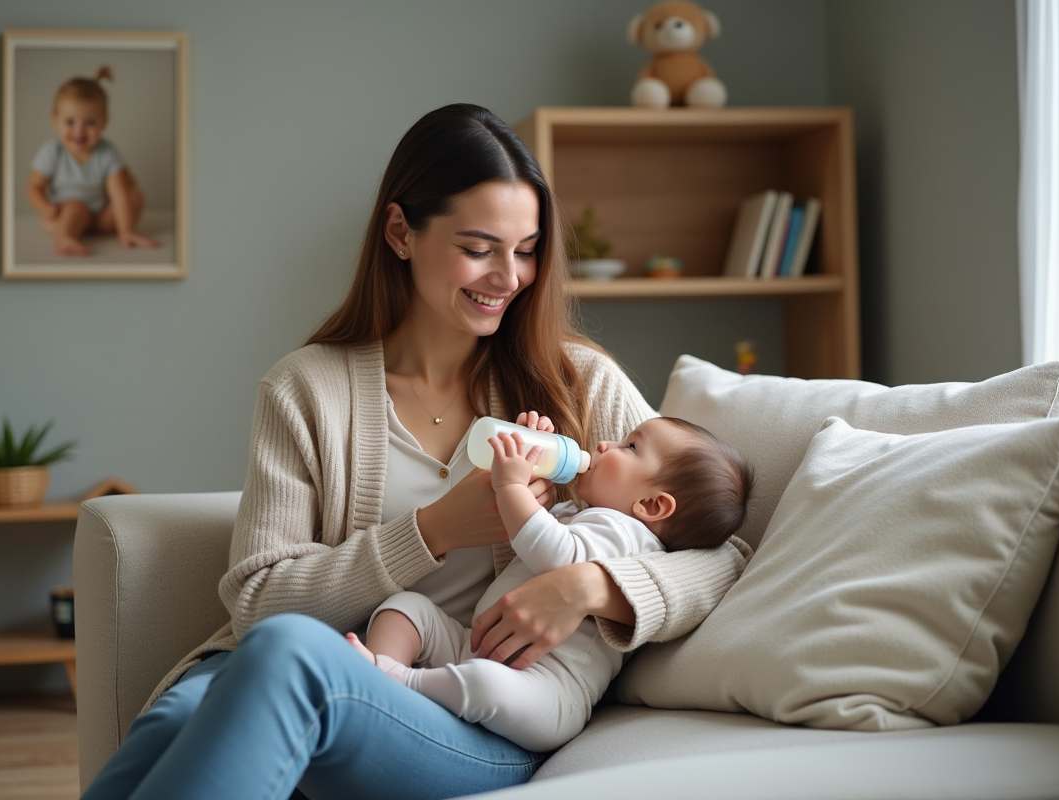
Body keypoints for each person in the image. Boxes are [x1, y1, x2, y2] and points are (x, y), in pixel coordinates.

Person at [79, 102, 752, 800]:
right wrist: (432, 532)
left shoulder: (575, 383)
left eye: (526, 250)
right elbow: (257, 604)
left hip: (469, 707)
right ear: (401, 231)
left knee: (286, 658)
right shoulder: (305, 388)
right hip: (315, 660)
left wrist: (588, 587)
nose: (510, 277)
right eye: (478, 247)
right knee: (176, 718)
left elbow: (723, 548)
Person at [348, 415, 754, 752]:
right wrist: (533, 470)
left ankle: (396, 681)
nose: (603, 444)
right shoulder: (583, 513)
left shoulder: (627, 533)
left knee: (487, 686)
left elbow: (558, 555)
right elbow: (544, 531)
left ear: (650, 505)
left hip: (546, 692)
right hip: (477, 643)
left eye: (629, 447)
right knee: (407, 608)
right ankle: (385, 679)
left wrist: (510, 489)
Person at [26, 67, 158, 256]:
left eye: (90, 123)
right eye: (70, 122)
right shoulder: (52, 151)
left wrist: (126, 230)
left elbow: (118, 193)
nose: (79, 131)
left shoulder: (107, 153)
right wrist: (45, 207)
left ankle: (117, 231)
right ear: (55, 120)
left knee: (135, 196)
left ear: (104, 123)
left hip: (100, 218)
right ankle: (65, 238)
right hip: (65, 215)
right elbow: (34, 186)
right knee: (75, 208)